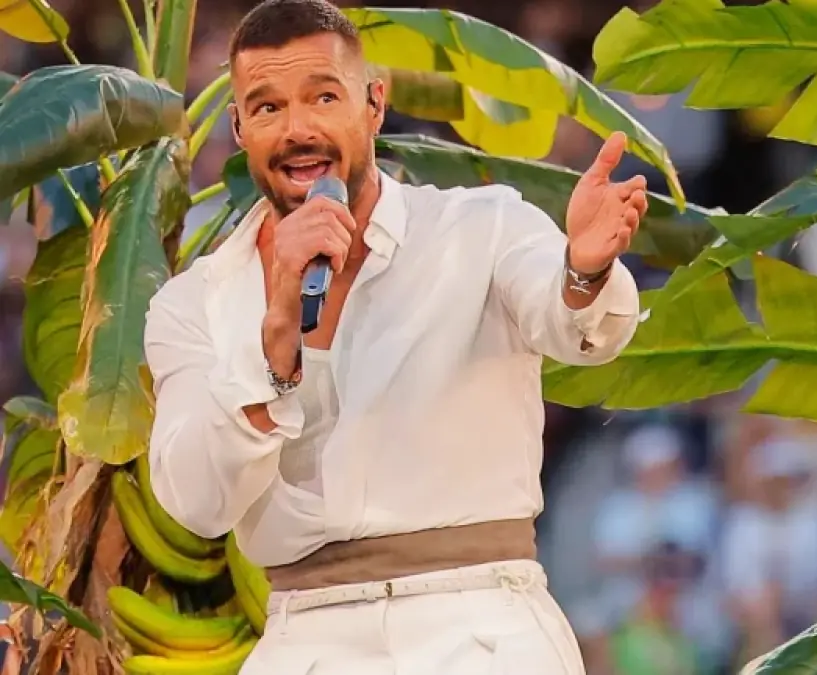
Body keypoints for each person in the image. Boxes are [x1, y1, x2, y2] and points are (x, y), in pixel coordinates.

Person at [142, 0, 648, 672]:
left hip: (483, 622)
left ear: (375, 105)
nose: (297, 129)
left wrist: (584, 269)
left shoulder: (481, 227)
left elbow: (576, 323)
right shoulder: (193, 305)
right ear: (239, 129)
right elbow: (198, 504)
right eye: (267, 108)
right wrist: (275, 337)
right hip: (306, 637)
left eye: (324, 97)